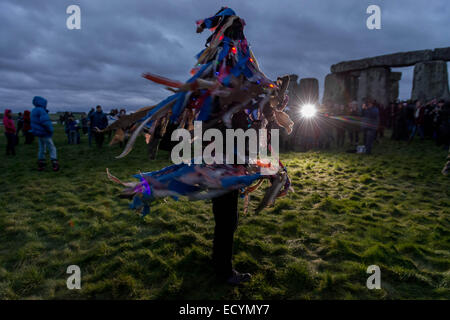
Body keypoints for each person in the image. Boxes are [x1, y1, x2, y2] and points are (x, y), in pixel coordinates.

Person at [30, 96, 59, 171]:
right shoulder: (41, 111)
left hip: (39, 133)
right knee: (52, 148)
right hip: (45, 133)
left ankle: (41, 164)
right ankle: (54, 163)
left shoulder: (33, 111)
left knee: (42, 148)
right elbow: (45, 122)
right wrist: (50, 130)